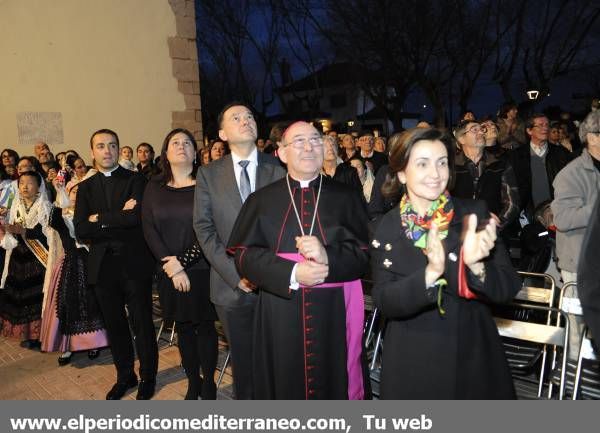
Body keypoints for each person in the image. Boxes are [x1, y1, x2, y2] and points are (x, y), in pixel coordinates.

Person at [371, 127, 521, 399]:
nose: (435, 174)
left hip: (472, 354)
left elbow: (508, 287)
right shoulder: (387, 225)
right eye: (422, 164)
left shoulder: (473, 213)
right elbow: (384, 299)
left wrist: (476, 267)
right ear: (402, 173)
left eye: (442, 163)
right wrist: (430, 275)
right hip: (411, 360)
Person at [227, 121, 371, 399]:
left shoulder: (348, 196)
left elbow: (365, 255)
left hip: (335, 311)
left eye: (316, 140)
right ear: (282, 153)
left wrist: (328, 256)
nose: (309, 147)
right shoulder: (261, 200)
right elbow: (245, 255)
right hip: (281, 308)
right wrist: (293, 273)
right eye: (299, 141)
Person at [193, 102, 285, 399]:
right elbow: (204, 229)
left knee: (278, 361)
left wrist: (267, 273)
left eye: (249, 116)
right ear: (222, 133)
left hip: (274, 286)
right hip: (230, 286)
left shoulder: (279, 169)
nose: (245, 120)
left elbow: (291, 225)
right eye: (236, 117)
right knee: (244, 366)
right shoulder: (208, 175)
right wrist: (237, 275)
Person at [74, 129, 158, 400]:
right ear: (92, 152)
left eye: (112, 145)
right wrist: (116, 216)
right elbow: (81, 229)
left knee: (142, 323)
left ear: (119, 148)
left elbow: (135, 218)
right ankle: (125, 376)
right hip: (102, 267)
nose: (107, 150)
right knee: (115, 325)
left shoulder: (136, 180)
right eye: (100, 146)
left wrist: (99, 218)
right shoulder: (85, 188)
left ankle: (148, 376)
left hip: (134, 262)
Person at [142, 129, 218, 400]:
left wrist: (183, 263)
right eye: (175, 142)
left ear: (195, 152)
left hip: (202, 268)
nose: (182, 146)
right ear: (165, 152)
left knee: (205, 326)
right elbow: (148, 228)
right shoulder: (153, 186)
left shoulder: (206, 183)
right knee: (183, 328)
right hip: (168, 271)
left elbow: (213, 229)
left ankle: (209, 382)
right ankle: (193, 381)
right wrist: (171, 266)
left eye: (187, 142)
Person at [40, 175, 108, 365]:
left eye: (81, 192)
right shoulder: (61, 214)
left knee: (94, 302)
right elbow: (53, 220)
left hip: (92, 262)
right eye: (74, 191)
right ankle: (68, 346)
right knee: (67, 304)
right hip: (70, 264)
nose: (77, 194)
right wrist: (58, 191)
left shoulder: (92, 214)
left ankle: (94, 343)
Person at [551, 110, 600, 360]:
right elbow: (563, 219)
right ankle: (571, 384)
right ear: (592, 137)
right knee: (576, 331)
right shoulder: (571, 174)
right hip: (579, 267)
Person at [0, 172, 55, 349]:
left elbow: (47, 233)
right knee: (21, 295)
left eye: (30, 183)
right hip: (18, 256)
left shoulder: (45, 206)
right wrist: (8, 227)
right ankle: (27, 333)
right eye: (21, 183)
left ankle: (41, 335)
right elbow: (11, 228)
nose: (24, 186)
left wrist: (24, 231)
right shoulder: (15, 204)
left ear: (39, 186)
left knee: (37, 296)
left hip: (37, 258)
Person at [452, 120, 520, 232]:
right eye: (474, 129)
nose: (481, 132)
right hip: (458, 234)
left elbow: (512, 203)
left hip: (492, 234)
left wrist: (495, 226)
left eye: (482, 129)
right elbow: (442, 202)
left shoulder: (500, 164)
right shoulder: (451, 167)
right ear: (461, 139)